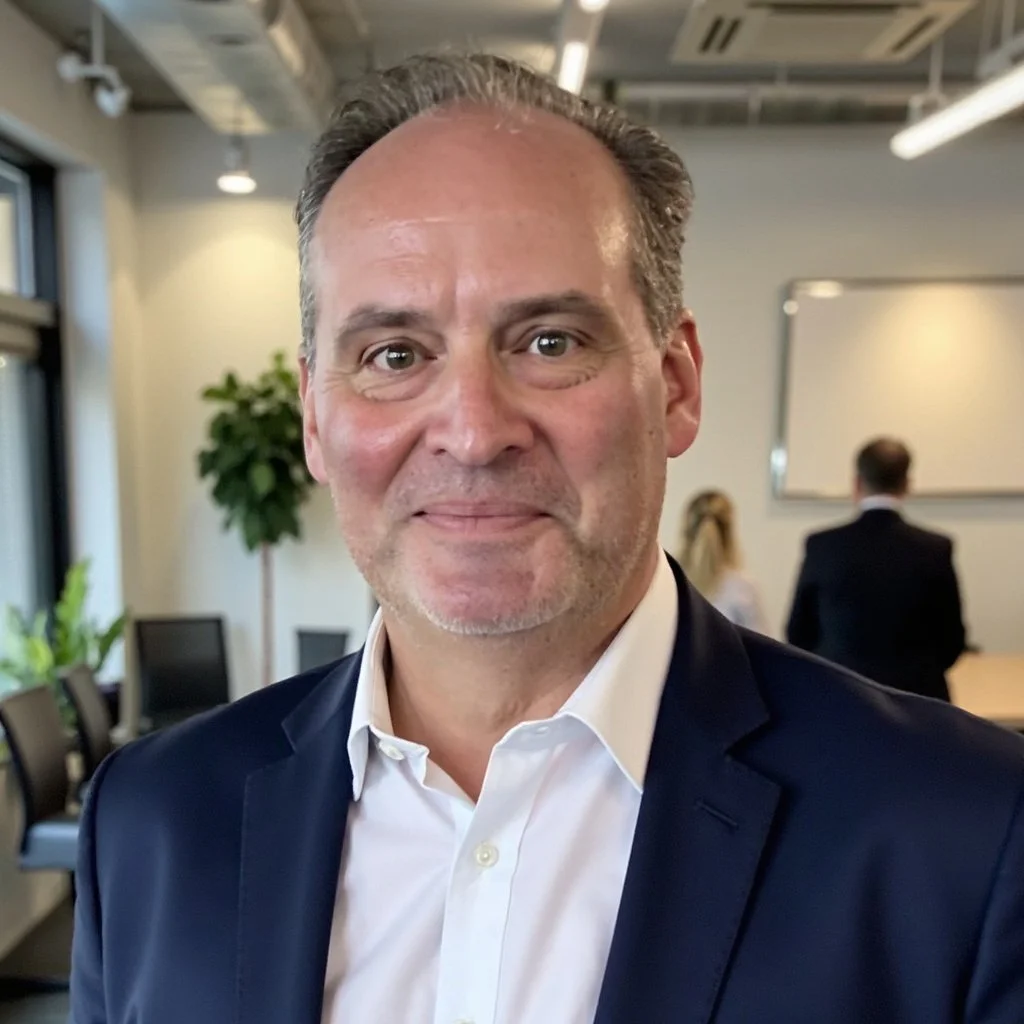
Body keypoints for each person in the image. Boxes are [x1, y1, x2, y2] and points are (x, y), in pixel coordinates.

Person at [71, 56, 1024, 1024]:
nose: (473, 433)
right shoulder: (151, 822)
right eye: (394, 354)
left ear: (676, 385)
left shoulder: (968, 832)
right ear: (315, 418)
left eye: (549, 342)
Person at [786, 437, 967, 702]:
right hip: (919, 701)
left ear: (857, 484)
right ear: (907, 485)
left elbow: (798, 633)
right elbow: (952, 640)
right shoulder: (936, 548)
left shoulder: (822, 545)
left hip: (840, 696)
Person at [679, 489, 769, 633]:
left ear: (686, 530)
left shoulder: (668, 580)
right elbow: (762, 642)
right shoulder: (743, 588)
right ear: (729, 533)